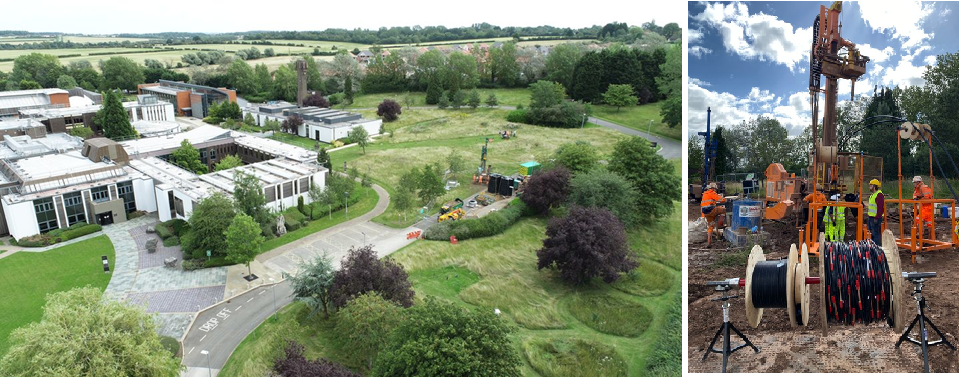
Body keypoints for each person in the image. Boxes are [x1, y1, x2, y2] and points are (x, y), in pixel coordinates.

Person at [912, 175, 934, 241]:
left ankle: (921, 234)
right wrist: (915, 198)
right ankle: (929, 239)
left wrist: (919, 199)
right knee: (929, 223)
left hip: (928, 207)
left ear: (918, 182)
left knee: (918, 218)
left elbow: (927, 198)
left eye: (914, 182)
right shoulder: (917, 188)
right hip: (925, 207)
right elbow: (914, 194)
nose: (913, 184)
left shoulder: (924, 187)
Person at [866, 179, 885, 245]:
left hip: (875, 218)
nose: (869, 187)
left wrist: (877, 218)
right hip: (871, 217)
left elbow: (880, 208)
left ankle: (876, 247)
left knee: (875, 234)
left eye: (871, 185)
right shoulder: (873, 195)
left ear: (874, 186)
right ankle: (872, 246)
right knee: (871, 234)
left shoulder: (879, 195)